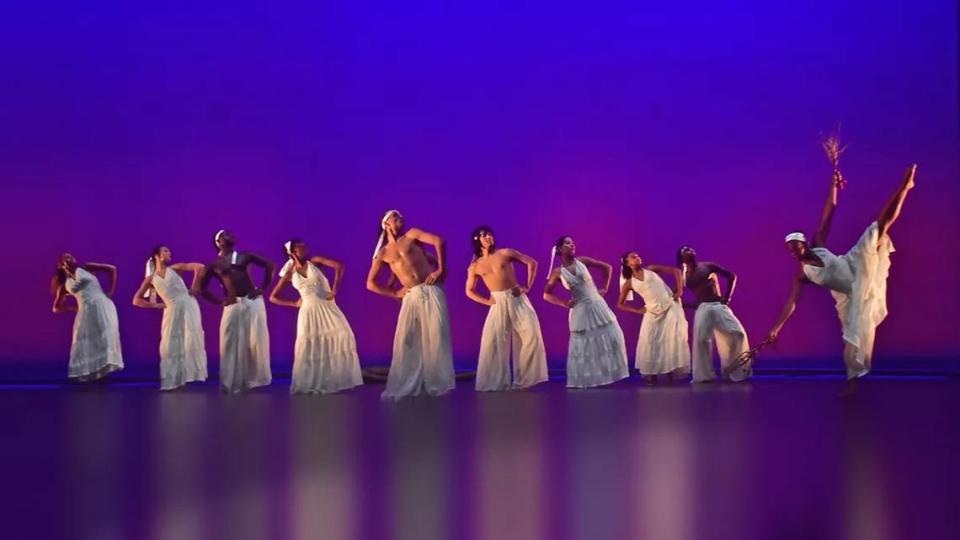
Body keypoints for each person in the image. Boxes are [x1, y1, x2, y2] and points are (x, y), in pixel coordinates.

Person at [766, 164, 917, 394]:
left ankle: (904, 187)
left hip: (855, 264)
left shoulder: (817, 242)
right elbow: (791, 304)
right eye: (790, 250)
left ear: (804, 243)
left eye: (796, 247)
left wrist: (833, 185)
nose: (794, 252)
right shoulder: (801, 275)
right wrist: (776, 328)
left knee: (878, 228)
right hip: (849, 296)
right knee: (851, 342)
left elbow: (830, 210)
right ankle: (851, 382)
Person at [366, 210, 455, 399]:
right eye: (396, 218)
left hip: (430, 289)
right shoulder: (382, 253)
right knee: (407, 339)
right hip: (411, 296)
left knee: (436, 335)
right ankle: (410, 380)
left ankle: (437, 383)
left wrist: (441, 268)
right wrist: (394, 292)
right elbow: (370, 284)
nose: (401, 219)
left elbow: (439, 241)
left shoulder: (412, 234)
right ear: (386, 224)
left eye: (401, 217)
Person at [269, 238, 363, 394]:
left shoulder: (315, 261)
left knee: (344, 334)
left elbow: (339, 266)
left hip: (326, 306)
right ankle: (314, 382)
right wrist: (294, 303)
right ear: (293, 252)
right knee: (312, 346)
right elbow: (273, 297)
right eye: (301, 246)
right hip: (308, 312)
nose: (305, 247)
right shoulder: (289, 273)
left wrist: (334, 290)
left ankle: (335, 378)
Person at [465, 226, 548, 391]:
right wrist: (487, 302)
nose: (489, 237)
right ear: (477, 240)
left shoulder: (505, 253)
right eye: (484, 235)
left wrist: (527, 287)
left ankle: (524, 380)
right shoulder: (475, 266)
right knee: (494, 342)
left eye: (490, 234)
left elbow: (532, 263)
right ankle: (495, 382)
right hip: (497, 302)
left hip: (516, 298)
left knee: (531, 335)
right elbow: (469, 291)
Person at [543, 236, 629, 388]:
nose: (572, 245)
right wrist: (563, 302)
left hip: (597, 305)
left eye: (573, 242)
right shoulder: (558, 272)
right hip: (580, 310)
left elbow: (607, 267)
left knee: (612, 335)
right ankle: (590, 379)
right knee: (585, 345)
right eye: (568, 243)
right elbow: (546, 294)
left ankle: (608, 375)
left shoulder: (582, 261)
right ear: (560, 249)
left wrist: (605, 288)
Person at [195, 230, 274, 393]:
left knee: (254, 341)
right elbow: (201, 288)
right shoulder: (214, 264)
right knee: (229, 342)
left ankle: (252, 380)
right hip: (233, 303)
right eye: (225, 235)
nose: (229, 236)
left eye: (230, 234)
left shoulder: (245, 256)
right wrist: (220, 301)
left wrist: (263, 288)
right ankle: (230, 383)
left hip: (252, 301)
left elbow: (269, 265)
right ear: (218, 242)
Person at [132, 246, 208, 390]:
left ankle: (186, 376)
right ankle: (175, 380)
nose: (169, 253)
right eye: (165, 251)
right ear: (157, 256)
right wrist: (156, 305)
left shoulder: (175, 268)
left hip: (187, 305)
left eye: (169, 251)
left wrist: (195, 287)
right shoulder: (151, 279)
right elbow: (136, 300)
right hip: (171, 310)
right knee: (171, 344)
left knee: (188, 340)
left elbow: (199, 267)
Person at [677, 245, 751, 382]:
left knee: (738, 333)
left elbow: (731, 276)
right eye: (686, 250)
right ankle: (704, 376)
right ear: (681, 258)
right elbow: (698, 296)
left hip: (717, 304)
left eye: (691, 249)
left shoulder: (708, 266)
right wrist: (684, 305)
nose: (690, 251)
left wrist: (727, 297)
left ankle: (734, 369)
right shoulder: (684, 274)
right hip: (702, 307)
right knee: (701, 341)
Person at [616, 251, 689, 384]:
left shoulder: (650, 269)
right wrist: (637, 310)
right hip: (652, 311)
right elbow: (620, 304)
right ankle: (652, 373)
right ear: (627, 263)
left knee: (670, 338)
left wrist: (680, 290)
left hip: (669, 306)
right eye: (633, 257)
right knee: (651, 341)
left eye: (638, 255)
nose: (637, 257)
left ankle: (669, 373)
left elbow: (676, 271)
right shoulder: (629, 283)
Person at [51, 253, 124, 381]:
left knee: (105, 336)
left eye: (72, 256)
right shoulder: (65, 285)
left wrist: (110, 291)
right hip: (85, 311)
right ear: (62, 264)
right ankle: (91, 374)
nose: (71, 258)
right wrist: (73, 308)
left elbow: (112, 269)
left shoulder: (86, 268)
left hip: (102, 305)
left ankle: (104, 373)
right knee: (88, 341)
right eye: (66, 257)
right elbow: (56, 307)